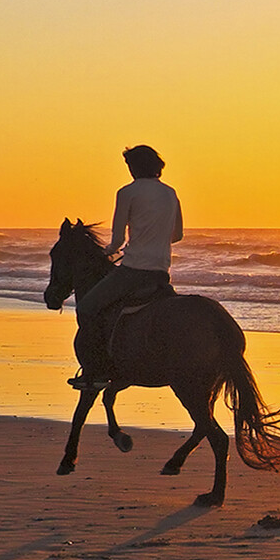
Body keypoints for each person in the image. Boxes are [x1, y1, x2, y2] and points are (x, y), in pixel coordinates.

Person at [69, 145, 184, 389]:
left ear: (134, 167)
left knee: (88, 307)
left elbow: (118, 239)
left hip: (133, 271)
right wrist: (154, 240)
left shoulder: (126, 192)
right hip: (161, 273)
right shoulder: (171, 193)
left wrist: (108, 252)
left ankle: (95, 371)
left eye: (130, 166)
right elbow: (177, 236)